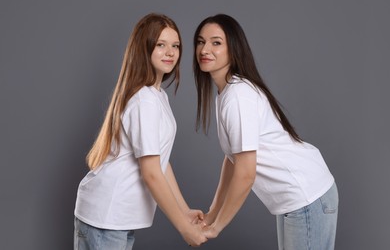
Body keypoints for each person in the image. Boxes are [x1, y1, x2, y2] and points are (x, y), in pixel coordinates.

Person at [193, 14, 338, 250]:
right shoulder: (226, 93)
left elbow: (246, 173)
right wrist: (211, 214)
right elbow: (232, 161)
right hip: (296, 201)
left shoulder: (239, 95)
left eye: (216, 42)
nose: (205, 49)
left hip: (307, 197)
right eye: (200, 42)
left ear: (233, 48)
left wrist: (217, 226)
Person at [74, 13, 207, 249]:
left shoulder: (157, 96)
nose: (170, 52)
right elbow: (151, 173)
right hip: (107, 217)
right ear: (144, 48)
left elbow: (161, 162)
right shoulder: (144, 100)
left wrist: (184, 210)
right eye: (161, 45)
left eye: (175, 46)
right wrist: (184, 228)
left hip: (116, 218)